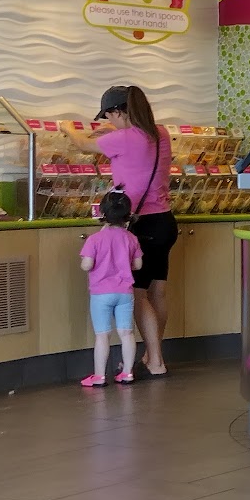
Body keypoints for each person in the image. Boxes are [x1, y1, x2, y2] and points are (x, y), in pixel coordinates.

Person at [85, 86, 176, 377]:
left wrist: (66, 129)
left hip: (142, 223)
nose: (109, 122)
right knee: (158, 292)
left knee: (137, 295)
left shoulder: (124, 138)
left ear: (118, 111)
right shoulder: (161, 133)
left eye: (109, 116)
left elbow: (81, 144)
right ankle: (152, 354)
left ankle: (156, 361)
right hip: (165, 221)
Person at [78, 189, 142, 387]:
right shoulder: (131, 238)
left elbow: (87, 265)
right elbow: (138, 265)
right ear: (127, 214)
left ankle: (99, 376)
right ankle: (127, 373)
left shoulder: (95, 239)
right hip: (125, 292)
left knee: (102, 335)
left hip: (101, 294)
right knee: (127, 333)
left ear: (102, 212)